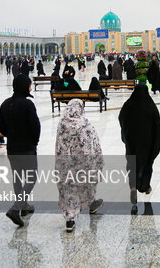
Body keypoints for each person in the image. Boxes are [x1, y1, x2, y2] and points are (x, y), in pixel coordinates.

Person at [0, 74, 41, 227]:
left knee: (17, 177)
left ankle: (23, 206)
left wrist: (11, 135)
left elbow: (0, 128)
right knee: (31, 177)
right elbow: (36, 127)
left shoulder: (5, 104)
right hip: (27, 147)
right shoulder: (27, 104)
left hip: (12, 148)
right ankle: (16, 208)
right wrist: (34, 142)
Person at [55, 99, 104, 232]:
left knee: (69, 190)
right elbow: (92, 144)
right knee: (86, 185)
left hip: (65, 165)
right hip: (82, 165)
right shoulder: (83, 124)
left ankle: (70, 220)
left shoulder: (62, 124)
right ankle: (91, 203)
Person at [119, 84, 160, 202]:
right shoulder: (150, 106)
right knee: (147, 164)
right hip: (147, 142)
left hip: (132, 142)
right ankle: (145, 186)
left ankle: (133, 187)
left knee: (132, 164)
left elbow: (121, 118)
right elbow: (158, 126)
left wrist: (127, 133)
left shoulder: (128, 105)